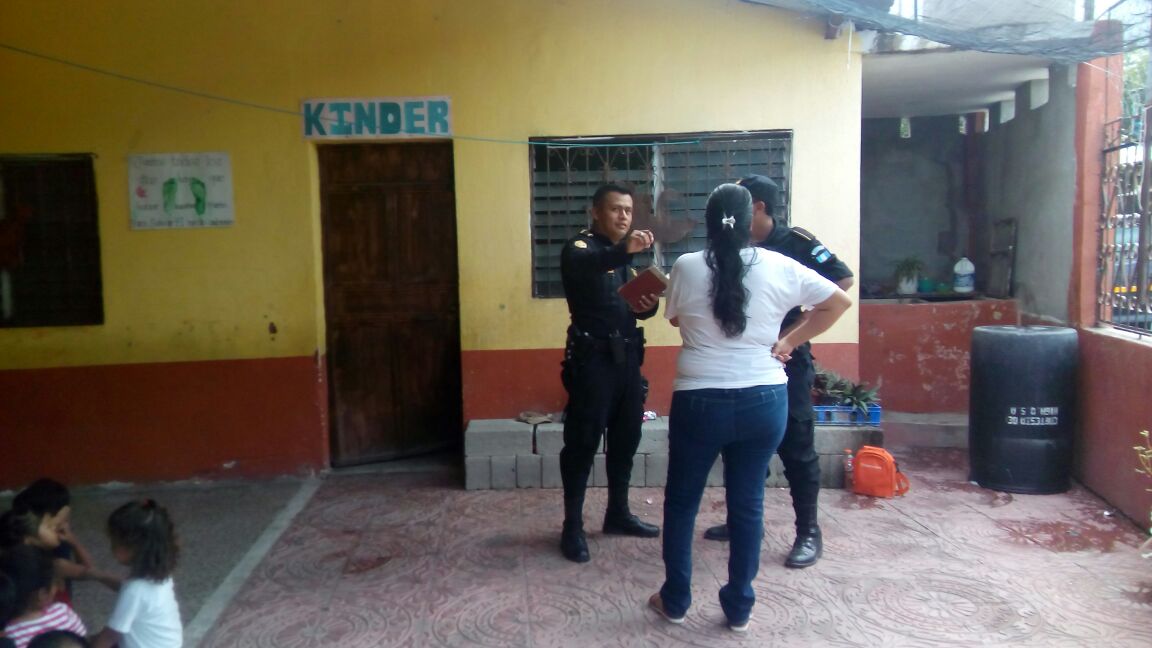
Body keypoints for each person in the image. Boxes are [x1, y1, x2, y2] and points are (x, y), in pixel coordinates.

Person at [649, 183, 850, 631]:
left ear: (707, 222)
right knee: (748, 503)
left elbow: (677, 319)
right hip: (764, 400)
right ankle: (739, 607)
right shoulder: (781, 265)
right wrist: (788, 341)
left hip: (699, 400)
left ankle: (675, 600)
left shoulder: (685, 265)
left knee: (682, 502)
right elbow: (839, 300)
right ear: (748, 222)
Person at [702, 174, 855, 569]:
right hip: (742, 361)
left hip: (787, 360)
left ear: (758, 207)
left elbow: (842, 280)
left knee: (796, 445)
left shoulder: (795, 243)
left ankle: (808, 531)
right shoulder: (732, 244)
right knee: (738, 444)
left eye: (742, 202)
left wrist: (797, 330)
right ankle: (741, 522)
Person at [557, 182, 662, 563]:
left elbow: (633, 309)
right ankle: (572, 526)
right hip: (593, 364)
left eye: (628, 211)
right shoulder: (580, 249)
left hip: (627, 363)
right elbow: (589, 265)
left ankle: (618, 513)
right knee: (582, 444)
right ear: (596, 212)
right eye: (616, 209)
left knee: (626, 439)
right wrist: (623, 250)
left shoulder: (624, 263)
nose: (623, 216)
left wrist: (647, 305)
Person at [7, 479, 120, 599]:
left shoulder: (59, 541)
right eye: (55, 524)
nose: (64, 526)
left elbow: (89, 570)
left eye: (66, 520)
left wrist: (73, 542)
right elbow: (89, 571)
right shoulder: (26, 556)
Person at [91, 500, 182, 648]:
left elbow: (110, 636)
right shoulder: (160, 576)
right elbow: (129, 590)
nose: (111, 547)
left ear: (133, 547)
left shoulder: (134, 590)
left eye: (114, 542)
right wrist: (98, 576)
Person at [0, 546, 87, 648]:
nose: (58, 588)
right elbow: (83, 640)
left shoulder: (8, 634)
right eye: (55, 584)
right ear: (42, 594)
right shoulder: (62, 612)